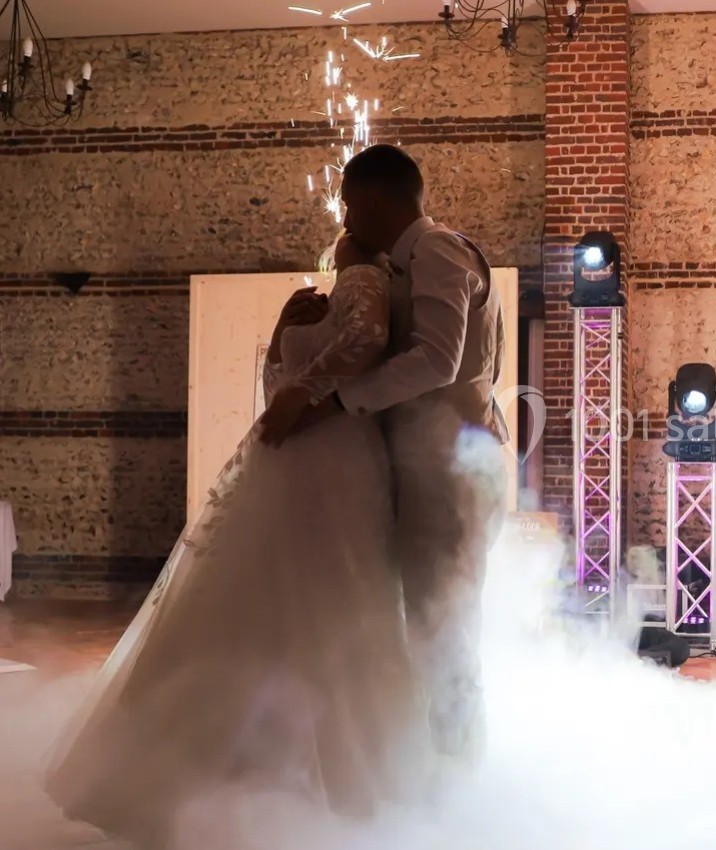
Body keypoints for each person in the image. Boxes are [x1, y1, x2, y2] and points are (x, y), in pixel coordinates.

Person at [44, 236, 424, 848]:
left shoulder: (365, 280)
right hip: (293, 456)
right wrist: (280, 338)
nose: (341, 226)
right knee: (251, 598)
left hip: (335, 459)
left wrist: (302, 395)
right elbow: (279, 381)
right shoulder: (323, 298)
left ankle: (326, 783)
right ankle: (212, 773)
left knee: (323, 604)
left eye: (351, 213)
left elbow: (365, 343)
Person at [264, 144, 509, 769]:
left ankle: (457, 784)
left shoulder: (437, 251)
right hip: (429, 463)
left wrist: (331, 403)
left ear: (374, 200)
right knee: (420, 627)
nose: (345, 221)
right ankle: (422, 768)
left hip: (451, 468)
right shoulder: (407, 263)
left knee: (444, 630)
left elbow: (437, 360)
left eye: (348, 206)